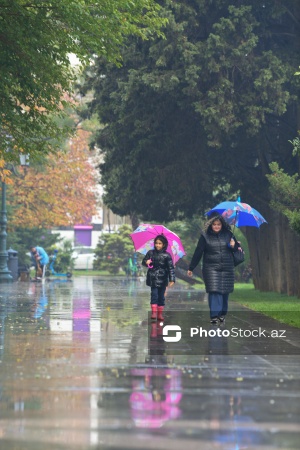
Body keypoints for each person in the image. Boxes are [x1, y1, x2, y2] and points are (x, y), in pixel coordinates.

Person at [187, 215, 241, 324]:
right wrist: (191, 267)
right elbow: (198, 252)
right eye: (214, 224)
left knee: (225, 291)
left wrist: (234, 245)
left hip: (227, 267)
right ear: (211, 225)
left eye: (218, 224)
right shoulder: (205, 236)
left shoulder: (229, 234)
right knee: (214, 290)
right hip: (211, 268)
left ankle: (222, 314)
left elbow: (236, 250)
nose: (216, 226)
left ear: (222, 225)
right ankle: (214, 315)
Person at [142, 234, 175, 321]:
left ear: (164, 244)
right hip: (153, 278)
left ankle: (160, 314)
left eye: (160, 243)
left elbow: (170, 268)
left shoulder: (167, 256)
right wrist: (146, 262)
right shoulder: (150, 253)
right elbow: (144, 262)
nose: (158, 245)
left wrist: (172, 279)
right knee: (154, 295)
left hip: (163, 279)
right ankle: (154, 312)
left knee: (161, 297)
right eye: (156, 243)